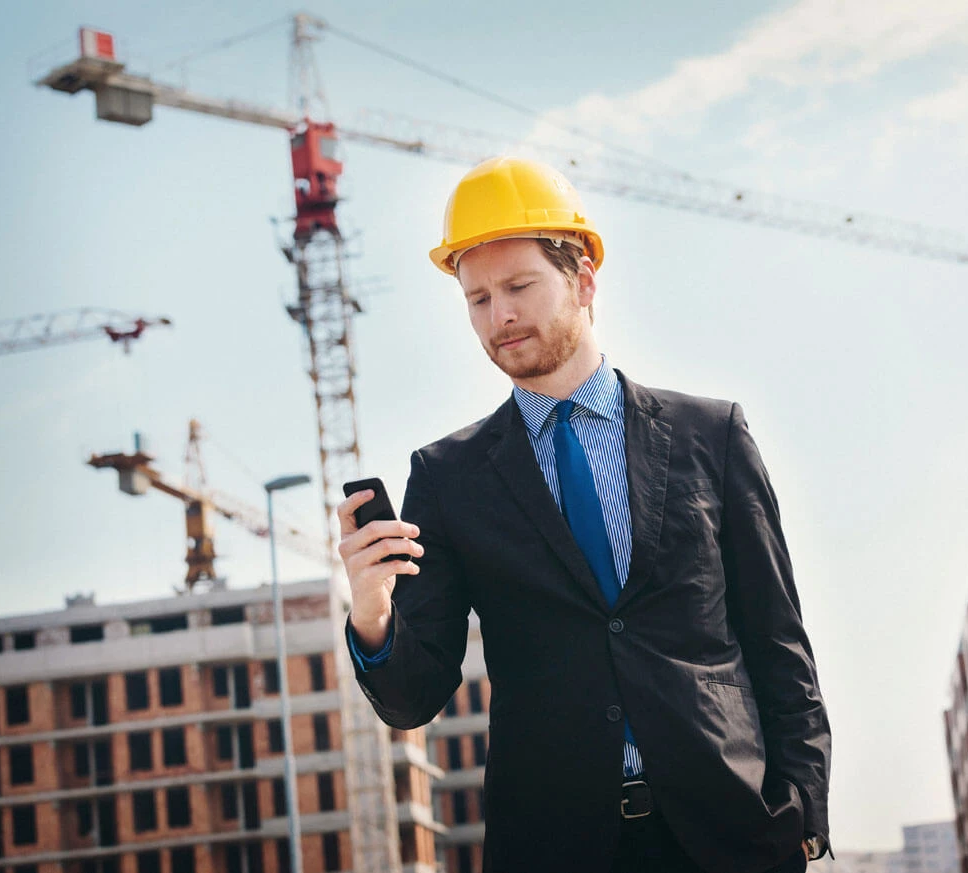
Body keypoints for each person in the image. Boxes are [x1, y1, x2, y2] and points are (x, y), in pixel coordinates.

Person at [338, 156, 831, 873]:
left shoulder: (711, 436)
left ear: (584, 281)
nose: (499, 316)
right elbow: (413, 698)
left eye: (518, 287)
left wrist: (803, 813)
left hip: (731, 836)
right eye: (477, 299)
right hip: (553, 846)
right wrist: (372, 614)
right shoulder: (446, 478)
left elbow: (778, 639)